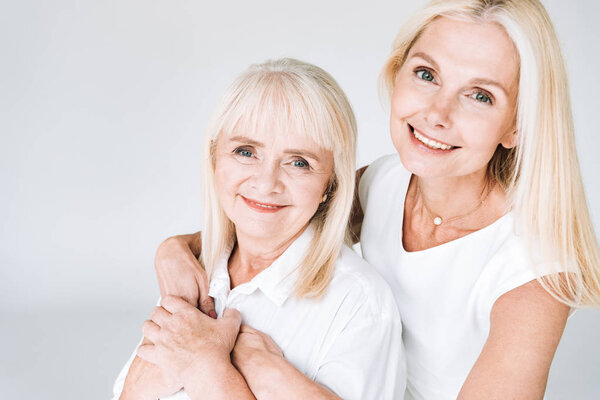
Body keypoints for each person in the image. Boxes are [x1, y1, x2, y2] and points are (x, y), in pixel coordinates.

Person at [152, 0, 600, 399]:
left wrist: (254, 361)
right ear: (396, 73)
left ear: (517, 125)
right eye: (427, 75)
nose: (436, 114)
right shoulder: (385, 182)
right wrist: (174, 249)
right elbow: (272, 217)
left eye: (479, 96)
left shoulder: (533, 271)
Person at [112, 58, 405, 400]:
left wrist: (206, 367)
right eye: (246, 152)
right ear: (214, 160)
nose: (267, 184)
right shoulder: (194, 271)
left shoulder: (359, 303)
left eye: (299, 162)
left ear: (331, 183)